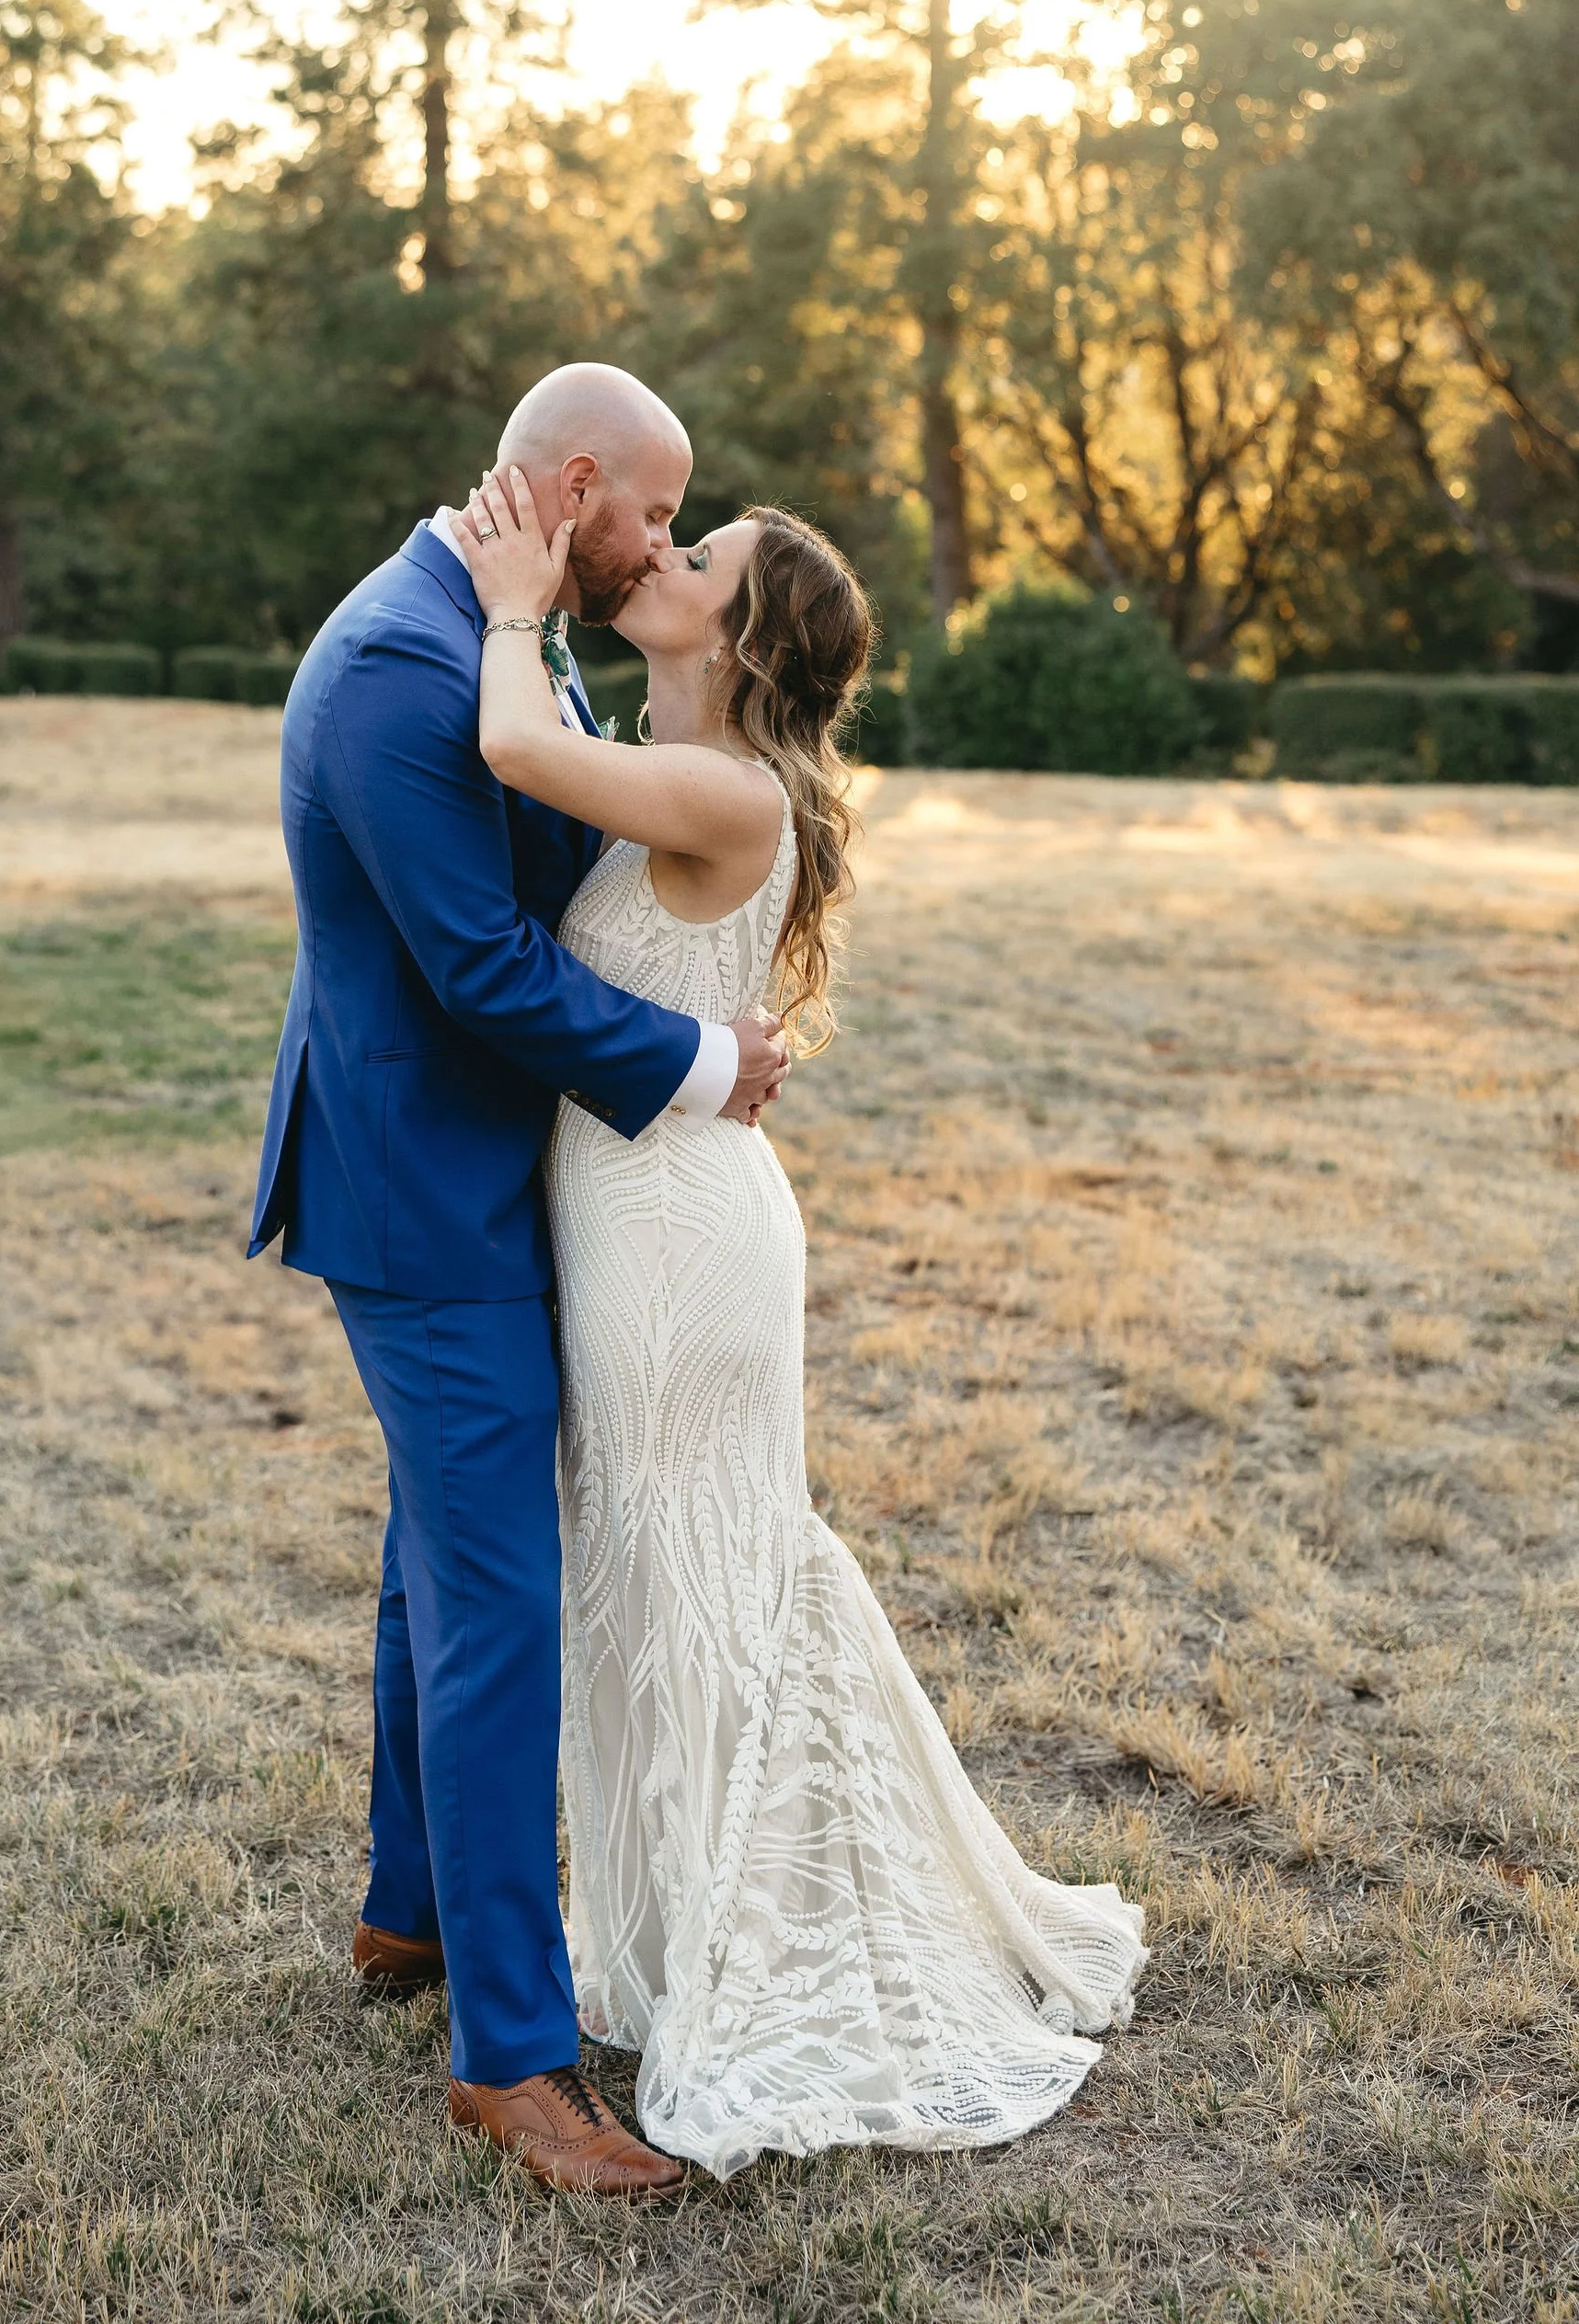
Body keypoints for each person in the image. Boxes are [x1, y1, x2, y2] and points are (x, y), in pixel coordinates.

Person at [451, 466, 1150, 2183]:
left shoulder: (725, 789)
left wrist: (513, 605)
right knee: (669, 1573)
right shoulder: (688, 770)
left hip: (681, 1248)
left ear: (742, 636)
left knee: (701, 1575)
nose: (667, 557)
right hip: (653, 1215)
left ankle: (751, 1951)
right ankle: (689, 1930)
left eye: (702, 558)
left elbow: (519, 752)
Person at [249, 363, 789, 2198]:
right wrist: (706, 1068)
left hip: (475, 1179)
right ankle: (513, 2060)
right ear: (577, 486)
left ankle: (408, 1917)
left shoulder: (489, 616)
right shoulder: (412, 665)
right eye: (655, 511)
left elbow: (561, 859)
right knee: (498, 1609)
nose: (661, 542)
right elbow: (482, 967)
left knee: (441, 1569)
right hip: (430, 1201)